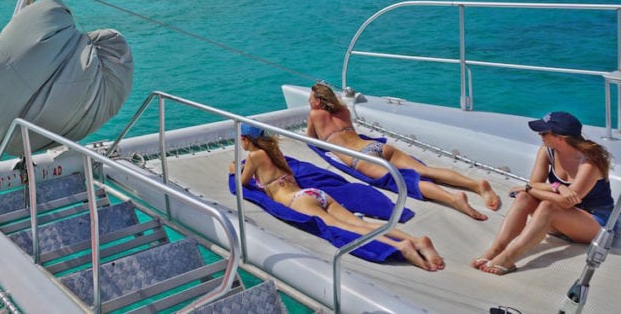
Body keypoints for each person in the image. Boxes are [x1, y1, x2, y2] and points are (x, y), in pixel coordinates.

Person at [230, 123, 445, 271]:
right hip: (316, 194)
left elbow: (242, 183)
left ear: (244, 139)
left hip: (298, 201)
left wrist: (234, 170)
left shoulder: (255, 156)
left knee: (349, 229)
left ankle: (401, 247)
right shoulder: (275, 152)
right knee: (360, 223)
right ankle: (417, 240)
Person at [306, 81, 501, 220]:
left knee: (404, 181)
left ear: (318, 102)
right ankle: (476, 185)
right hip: (378, 147)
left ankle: (453, 198)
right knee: (424, 170)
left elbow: (311, 139)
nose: (309, 100)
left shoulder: (315, 114)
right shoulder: (344, 111)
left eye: (311, 97)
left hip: (361, 158)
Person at [473, 111, 614, 275]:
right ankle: (497, 249)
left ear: (561, 138)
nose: (539, 135)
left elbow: (566, 202)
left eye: (543, 132)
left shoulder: (590, 162)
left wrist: (528, 188)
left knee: (547, 205)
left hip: (596, 222)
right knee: (525, 197)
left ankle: (509, 257)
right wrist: (558, 187)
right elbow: (535, 184)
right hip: (566, 219)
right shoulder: (547, 151)